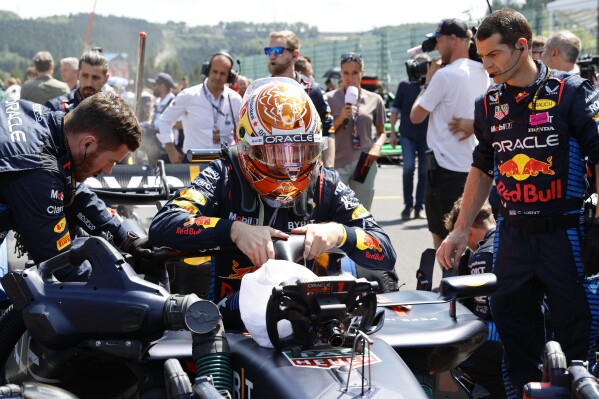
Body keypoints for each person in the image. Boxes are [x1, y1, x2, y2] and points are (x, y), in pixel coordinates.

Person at [436, 9, 599, 397]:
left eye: (493, 55)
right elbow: (481, 167)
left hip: (565, 236)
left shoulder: (571, 91)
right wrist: (460, 230)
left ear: (522, 47)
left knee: (578, 340)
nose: (485, 64)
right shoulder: (488, 103)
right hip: (512, 238)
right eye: (480, 56)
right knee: (515, 338)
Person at [149, 77, 397, 330]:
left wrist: (339, 232)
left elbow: (385, 252)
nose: (289, 166)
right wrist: (233, 230)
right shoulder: (223, 175)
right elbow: (164, 224)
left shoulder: (325, 182)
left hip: (308, 319)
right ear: (248, 148)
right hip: (229, 321)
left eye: (300, 151)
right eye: (275, 153)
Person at [0, 91, 147, 285]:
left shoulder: (42, 119)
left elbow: (75, 194)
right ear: (88, 143)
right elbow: (61, 265)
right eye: (111, 161)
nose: (108, 171)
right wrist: (124, 288)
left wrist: (127, 238)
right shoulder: (36, 169)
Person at [410, 18, 490, 249]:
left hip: (444, 170)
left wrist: (427, 82)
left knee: (443, 237)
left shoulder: (444, 76)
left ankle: (449, 283)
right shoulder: (484, 72)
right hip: (477, 168)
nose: (436, 46)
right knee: (478, 234)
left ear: (453, 40)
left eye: (438, 40)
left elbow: (416, 116)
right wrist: (475, 124)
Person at [444, 198, 506, 399]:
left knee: (451, 343)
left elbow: (484, 310)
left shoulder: (482, 255)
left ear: (468, 230)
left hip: (505, 334)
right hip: (539, 327)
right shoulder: (513, 239)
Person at [325, 53, 387, 210]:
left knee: (361, 211)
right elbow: (322, 132)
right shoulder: (329, 99)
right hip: (338, 163)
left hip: (365, 162)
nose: (350, 78)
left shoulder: (375, 99)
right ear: (341, 74)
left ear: (362, 73)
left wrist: (377, 146)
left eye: (354, 73)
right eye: (345, 73)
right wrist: (339, 119)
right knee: (335, 211)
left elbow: (382, 132)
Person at [266, 30, 335, 169]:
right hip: (270, 170)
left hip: (305, 171)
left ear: (295, 54)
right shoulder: (262, 91)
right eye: (269, 50)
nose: (272, 55)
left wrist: (329, 167)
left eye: (278, 50)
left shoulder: (312, 90)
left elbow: (328, 130)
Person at [158, 51, 243, 163]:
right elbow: (165, 120)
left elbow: (244, 131)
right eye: (215, 72)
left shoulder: (235, 99)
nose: (218, 77)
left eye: (222, 74)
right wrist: (171, 150)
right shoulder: (188, 95)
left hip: (225, 163)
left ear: (229, 77)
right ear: (207, 71)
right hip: (194, 162)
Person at [390, 53, 430, 220]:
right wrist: (392, 132)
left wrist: (426, 87)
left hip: (427, 136)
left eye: (424, 65)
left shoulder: (433, 86)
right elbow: (394, 110)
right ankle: (408, 204)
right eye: (418, 64)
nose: (420, 69)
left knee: (423, 172)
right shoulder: (404, 85)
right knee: (408, 168)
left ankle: (419, 207)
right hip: (407, 134)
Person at [45, 49, 110, 113]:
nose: (89, 84)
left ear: (105, 79)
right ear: (78, 74)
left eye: (95, 77)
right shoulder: (56, 109)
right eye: (85, 76)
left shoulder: (111, 110)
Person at [141, 72, 176, 165]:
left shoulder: (173, 101)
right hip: (155, 146)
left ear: (163, 86)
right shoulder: (159, 101)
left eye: (154, 84)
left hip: (167, 149)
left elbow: (181, 124)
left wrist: (162, 126)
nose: (153, 87)